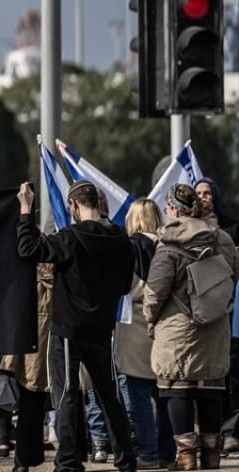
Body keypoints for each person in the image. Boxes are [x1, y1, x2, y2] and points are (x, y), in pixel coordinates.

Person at [16, 180, 136, 472]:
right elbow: (124, 287)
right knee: (110, 395)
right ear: (98, 203)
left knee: (67, 395)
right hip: (102, 329)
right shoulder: (121, 239)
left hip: (68, 329)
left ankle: (68, 461)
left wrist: (26, 210)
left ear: (73, 205)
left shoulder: (69, 238)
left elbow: (27, 249)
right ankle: (126, 459)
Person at [144, 184, 239, 470]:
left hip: (178, 327)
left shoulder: (169, 244)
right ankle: (211, 455)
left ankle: (186, 457)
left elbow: (155, 291)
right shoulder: (222, 238)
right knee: (210, 388)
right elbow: (234, 273)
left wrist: (150, 318)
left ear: (174, 210)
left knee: (178, 388)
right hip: (215, 323)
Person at [115, 199, 174, 469]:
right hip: (166, 323)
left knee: (139, 397)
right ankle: (167, 453)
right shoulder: (169, 246)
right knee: (165, 396)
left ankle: (148, 453)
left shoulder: (127, 248)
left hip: (134, 324)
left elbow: (121, 286)